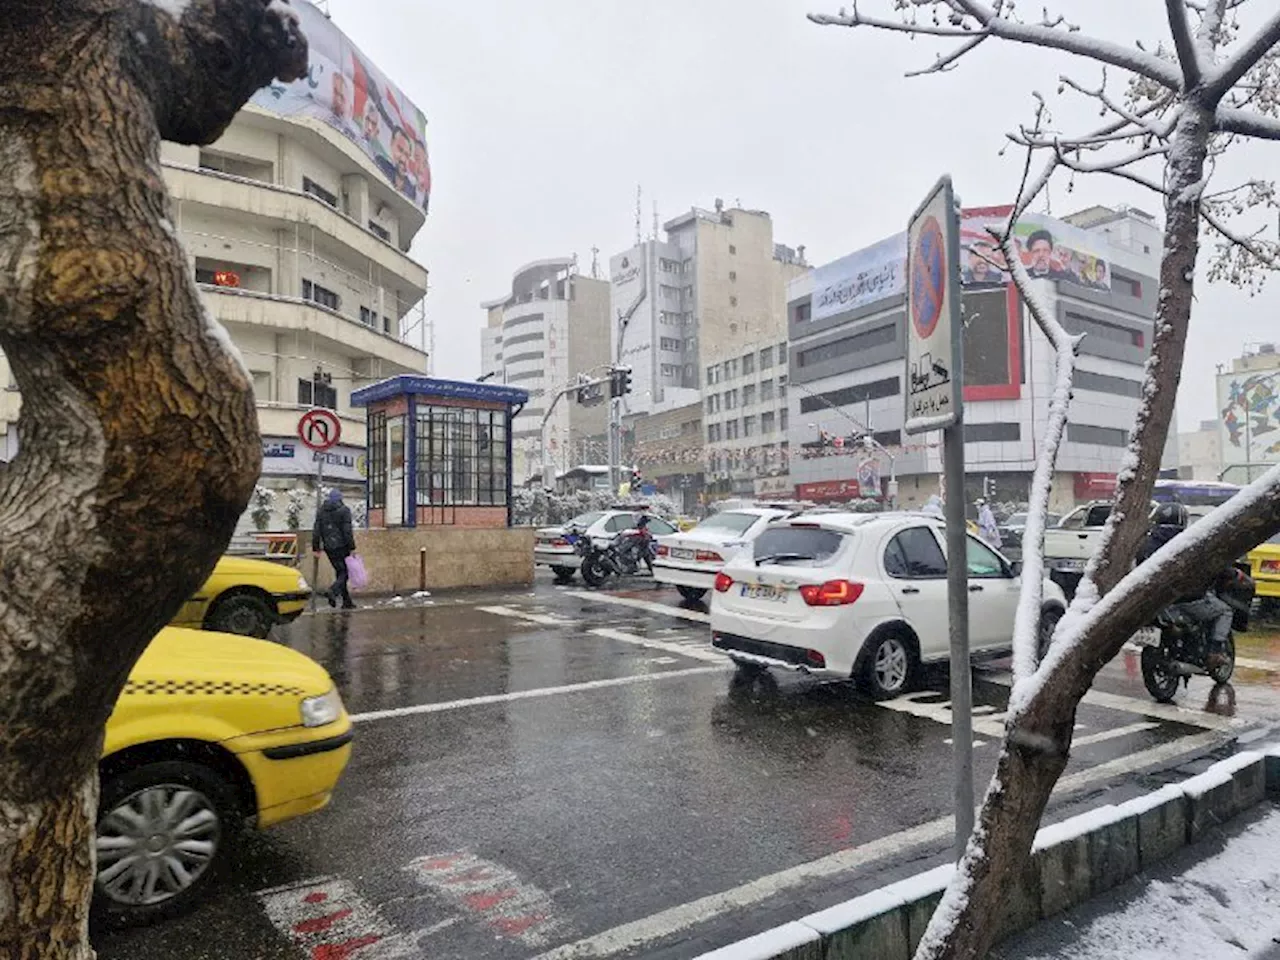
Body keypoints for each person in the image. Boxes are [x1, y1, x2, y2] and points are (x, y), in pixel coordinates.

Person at [1138, 503, 1233, 669]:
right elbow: (1210, 564)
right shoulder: (1189, 541)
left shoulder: (1146, 542)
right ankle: (1215, 652)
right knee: (1225, 611)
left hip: (1153, 601)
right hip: (1186, 599)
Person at [313, 489, 357, 610]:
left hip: (329, 547)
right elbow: (347, 531)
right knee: (345, 573)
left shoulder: (321, 511)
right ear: (340, 499)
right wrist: (352, 547)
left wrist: (316, 548)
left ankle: (346, 601)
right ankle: (333, 591)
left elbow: (316, 531)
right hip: (342, 546)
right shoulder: (344, 510)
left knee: (340, 572)